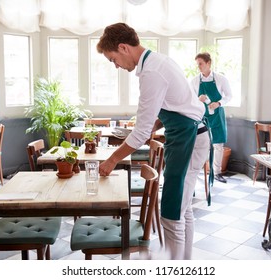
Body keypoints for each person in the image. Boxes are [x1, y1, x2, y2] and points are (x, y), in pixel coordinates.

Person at [96, 23, 210, 260]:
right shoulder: (158, 61)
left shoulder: (151, 72)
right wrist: (157, 125)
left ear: (123, 47)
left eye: (113, 59)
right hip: (192, 136)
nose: (116, 65)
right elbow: (176, 104)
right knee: (183, 208)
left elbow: (139, 133)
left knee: (170, 213)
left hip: (188, 140)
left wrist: (111, 161)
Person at [190, 52, 232, 183]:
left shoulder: (221, 79)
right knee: (202, 143)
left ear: (209, 63)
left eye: (201, 64)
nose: (199, 67)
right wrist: (198, 99)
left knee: (218, 144)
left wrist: (218, 103)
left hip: (217, 114)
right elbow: (190, 99)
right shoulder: (195, 81)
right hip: (202, 116)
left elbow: (229, 96)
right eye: (197, 65)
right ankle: (200, 170)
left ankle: (217, 172)